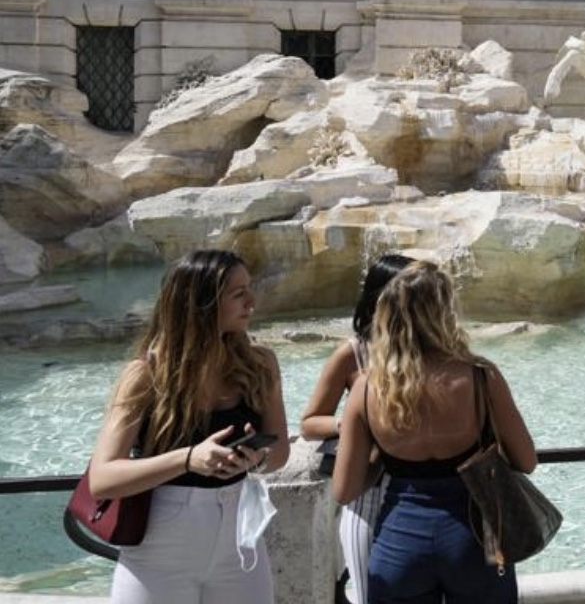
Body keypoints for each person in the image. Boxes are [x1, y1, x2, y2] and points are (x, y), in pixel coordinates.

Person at [87, 249, 290, 604]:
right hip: (160, 545)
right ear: (201, 304)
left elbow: (280, 454)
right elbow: (102, 479)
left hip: (240, 540)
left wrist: (253, 460)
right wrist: (187, 459)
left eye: (249, 289)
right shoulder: (145, 375)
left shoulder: (260, 364)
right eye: (238, 293)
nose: (252, 301)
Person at [332, 261, 538, 604]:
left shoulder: (367, 388)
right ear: (444, 313)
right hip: (472, 539)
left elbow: (345, 489)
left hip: (399, 541)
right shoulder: (480, 377)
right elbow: (526, 460)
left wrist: (383, 454)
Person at [299, 253, 415, 604]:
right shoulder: (352, 354)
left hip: (425, 495)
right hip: (369, 494)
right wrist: (355, 423)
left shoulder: (438, 353)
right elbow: (309, 422)